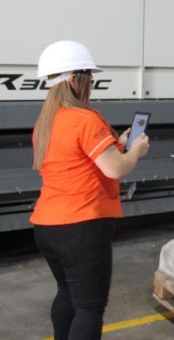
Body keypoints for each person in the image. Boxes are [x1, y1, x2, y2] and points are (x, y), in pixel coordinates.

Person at [30, 40, 150, 340]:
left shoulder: (44, 123)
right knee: (89, 308)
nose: (92, 84)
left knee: (67, 295)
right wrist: (135, 151)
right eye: (89, 78)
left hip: (47, 226)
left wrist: (118, 145)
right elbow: (115, 169)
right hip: (81, 227)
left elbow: (79, 160)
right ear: (74, 80)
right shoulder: (85, 119)